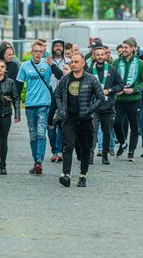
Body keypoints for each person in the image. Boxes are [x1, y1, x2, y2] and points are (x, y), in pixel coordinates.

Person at [55, 53, 105, 187]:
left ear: (83, 63)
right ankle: (66, 174)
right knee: (68, 146)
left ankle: (83, 176)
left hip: (85, 119)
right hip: (69, 118)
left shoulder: (91, 79)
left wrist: (90, 109)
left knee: (85, 148)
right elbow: (57, 94)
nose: (73, 64)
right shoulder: (65, 79)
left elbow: (101, 97)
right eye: (72, 62)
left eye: (76, 62)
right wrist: (62, 110)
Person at [16, 40, 63, 174]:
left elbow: (60, 75)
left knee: (41, 133)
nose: (38, 54)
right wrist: (16, 107)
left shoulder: (47, 64)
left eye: (41, 52)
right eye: (36, 51)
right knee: (33, 135)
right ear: (32, 52)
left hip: (44, 103)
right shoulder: (24, 66)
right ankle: (35, 160)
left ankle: (39, 161)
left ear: (43, 53)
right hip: (30, 104)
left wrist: (52, 65)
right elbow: (18, 86)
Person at [113, 39, 143, 162]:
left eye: (126, 47)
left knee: (134, 127)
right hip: (120, 100)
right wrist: (116, 89)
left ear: (133, 49)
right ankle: (123, 143)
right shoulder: (117, 62)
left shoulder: (140, 63)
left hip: (134, 100)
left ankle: (131, 152)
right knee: (116, 124)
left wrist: (134, 90)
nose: (123, 50)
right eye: (122, 47)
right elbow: (111, 79)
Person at [89, 46, 124, 165]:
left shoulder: (112, 69)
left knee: (107, 132)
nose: (100, 57)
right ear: (94, 56)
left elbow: (120, 85)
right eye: (97, 54)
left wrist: (109, 90)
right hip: (94, 107)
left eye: (102, 54)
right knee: (92, 131)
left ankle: (105, 155)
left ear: (105, 56)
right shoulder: (89, 70)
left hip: (108, 107)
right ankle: (90, 155)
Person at [47, 39, 71, 162]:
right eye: (55, 46)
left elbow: (63, 75)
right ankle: (54, 150)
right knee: (50, 126)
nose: (58, 48)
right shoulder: (46, 61)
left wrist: (53, 66)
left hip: (64, 96)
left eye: (60, 46)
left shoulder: (69, 61)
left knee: (61, 126)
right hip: (49, 95)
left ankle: (59, 151)